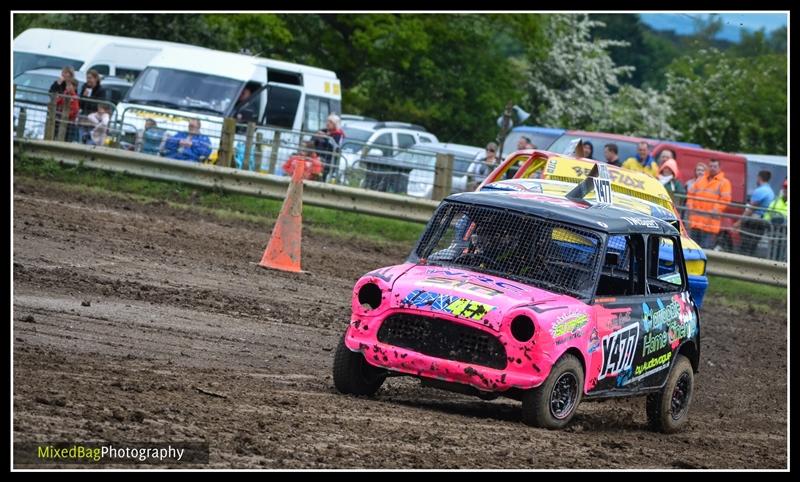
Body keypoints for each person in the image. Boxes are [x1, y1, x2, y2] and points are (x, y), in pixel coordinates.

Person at [685, 159, 732, 249]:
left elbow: (725, 200)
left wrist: (715, 210)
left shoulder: (724, 183)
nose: (712, 168)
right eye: (711, 166)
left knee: (705, 249)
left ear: (719, 168)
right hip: (695, 222)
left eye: (715, 166)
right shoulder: (700, 180)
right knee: (692, 248)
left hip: (710, 224)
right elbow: (690, 194)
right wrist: (690, 205)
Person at [733, 170, 775, 256]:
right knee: (753, 246)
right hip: (762, 222)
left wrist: (739, 222)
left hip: (754, 222)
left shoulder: (760, 191)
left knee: (745, 245)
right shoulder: (771, 192)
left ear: (759, 178)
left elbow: (750, 209)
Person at [313, 114, 345, 181]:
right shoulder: (323, 131)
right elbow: (313, 141)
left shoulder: (338, 134)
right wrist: (316, 137)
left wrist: (325, 137)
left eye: (330, 122)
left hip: (329, 158)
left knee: (323, 175)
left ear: (335, 124)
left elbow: (335, 146)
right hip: (317, 155)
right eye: (327, 121)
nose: (327, 123)